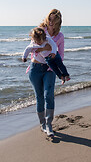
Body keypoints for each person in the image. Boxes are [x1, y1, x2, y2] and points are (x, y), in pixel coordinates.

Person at [25, 9, 66, 137]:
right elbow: (33, 49)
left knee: (49, 95)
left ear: (59, 21)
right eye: (50, 19)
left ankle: (49, 124)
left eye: (54, 20)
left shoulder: (60, 36)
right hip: (35, 68)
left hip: (49, 69)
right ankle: (42, 124)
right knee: (39, 97)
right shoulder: (39, 30)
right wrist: (45, 48)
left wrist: (54, 66)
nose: (51, 22)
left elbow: (61, 55)